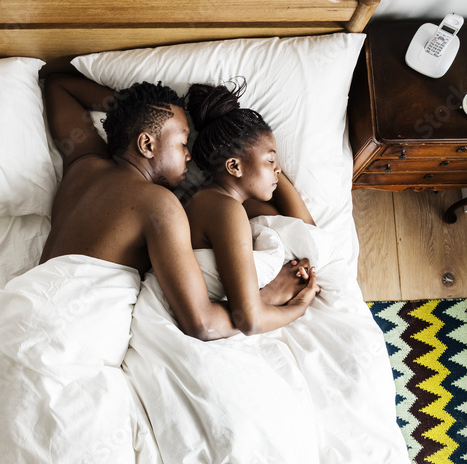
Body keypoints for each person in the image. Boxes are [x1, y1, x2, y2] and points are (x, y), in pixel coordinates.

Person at [40, 72, 309, 340]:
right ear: (146, 143)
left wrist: (136, 112)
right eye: (182, 142)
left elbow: (58, 84)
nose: (189, 154)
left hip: (22, 309)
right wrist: (270, 296)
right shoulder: (160, 204)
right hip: (69, 339)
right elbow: (202, 325)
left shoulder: (84, 161)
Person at [182, 80, 321, 336]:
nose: (279, 169)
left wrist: (267, 168)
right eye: (270, 159)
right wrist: (299, 303)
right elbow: (251, 321)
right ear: (234, 167)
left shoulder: (226, 203)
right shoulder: (225, 209)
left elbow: (308, 235)